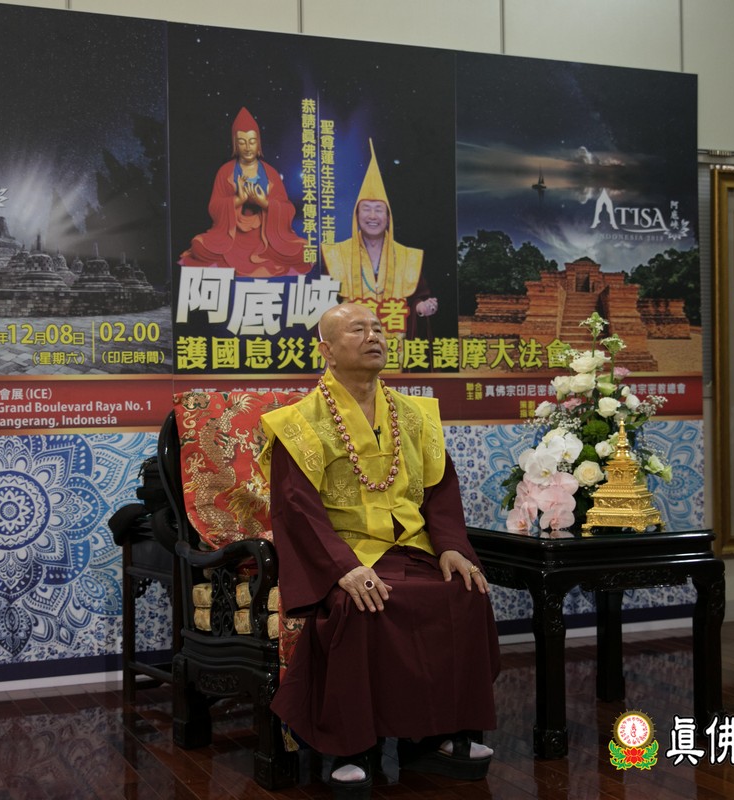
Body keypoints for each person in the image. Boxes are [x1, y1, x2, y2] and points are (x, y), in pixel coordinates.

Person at [258, 303, 499, 797]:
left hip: (413, 547)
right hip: (345, 553)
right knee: (359, 604)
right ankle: (354, 747)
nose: (374, 337)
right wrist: (342, 568)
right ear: (326, 350)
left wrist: (452, 547)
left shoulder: (414, 414)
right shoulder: (298, 423)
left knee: (463, 591)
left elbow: (440, 490)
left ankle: (438, 736)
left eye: (378, 328)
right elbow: (296, 508)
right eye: (357, 329)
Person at [178, 107, 311, 278]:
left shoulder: (270, 172)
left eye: (252, 141)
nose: (248, 148)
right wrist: (238, 200)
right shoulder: (225, 171)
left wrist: (264, 203)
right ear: (235, 144)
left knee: (303, 251)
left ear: (258, 143)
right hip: (233, 236)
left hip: (265, 236)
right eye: (242, 142)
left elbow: (288, 209)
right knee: (199, 246)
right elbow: (214, 207)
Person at [321, 141, 437, 338]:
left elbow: (417, 298)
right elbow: (325, 301)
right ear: (356, 215)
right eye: (366, 209)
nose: (372, 216)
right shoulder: (335, 255)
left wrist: (422, 307)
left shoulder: (408, 257)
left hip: (397, 345)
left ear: (388, 217)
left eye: (379, 210)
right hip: (350, 343)